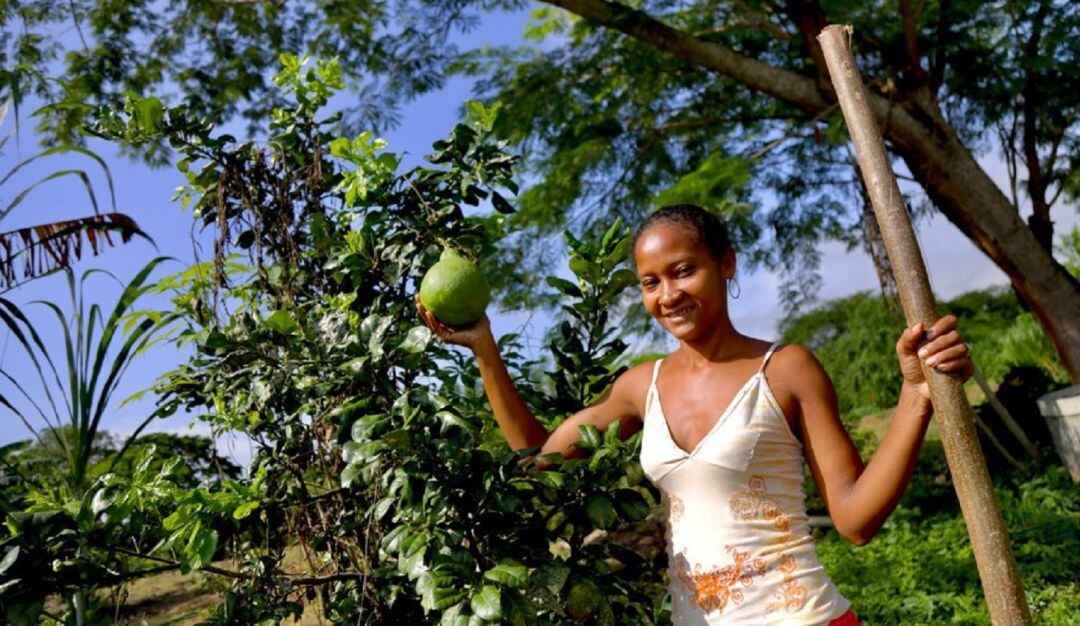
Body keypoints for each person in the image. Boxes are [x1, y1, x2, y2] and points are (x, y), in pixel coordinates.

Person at [414, 204, 974, 625]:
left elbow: (854, 520)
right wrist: (485, 349)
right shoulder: (641, 387)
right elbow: (539, 464)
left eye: (683, 271)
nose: (668, 295)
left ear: (725, 263)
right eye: (650, 283)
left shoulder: (785, 371)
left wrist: (916, 396)